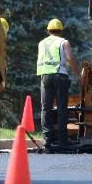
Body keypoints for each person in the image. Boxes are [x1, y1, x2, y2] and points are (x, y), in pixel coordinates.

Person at [36, 18, 80, 149]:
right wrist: (78, 75)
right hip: (60, 75)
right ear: (61, 31)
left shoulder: (41, 43)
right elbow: (69, 58)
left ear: (48, 31)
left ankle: (47, 140)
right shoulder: (63, 42)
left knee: (46, 108)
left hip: (45, 76)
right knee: (61, 108)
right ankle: (62, 140)